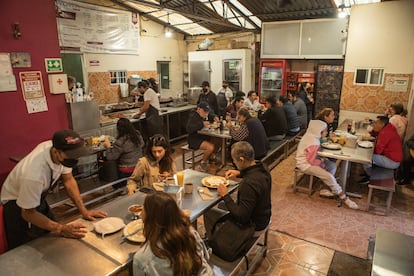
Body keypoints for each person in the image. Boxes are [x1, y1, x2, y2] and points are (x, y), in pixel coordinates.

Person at [1, 129, 108, 249]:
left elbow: (68, 180)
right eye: (72, 156)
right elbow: (27, 213)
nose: (75, 159)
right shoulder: (34, 174)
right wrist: (61, 228)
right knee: (29, 249)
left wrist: (84, 211)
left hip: (38, 199)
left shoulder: (57, 151)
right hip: (17, 206)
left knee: (52, 239)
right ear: (56, 152)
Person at [133, 192, 212, 275]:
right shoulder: (190, 233)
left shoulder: (141, 259)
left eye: (143, 209)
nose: (141, 213)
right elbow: (205, 258)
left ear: (148, 219)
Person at [204, 141, 271, 240]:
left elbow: (242, 217)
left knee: (209, 212)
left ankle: (214, 243)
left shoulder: (248, 184)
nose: (234, 163)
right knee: (221, 206)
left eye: (234, 161)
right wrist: (239, 173)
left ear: (241, 160)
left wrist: (225, 195)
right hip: (264, 216)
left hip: (254, 227)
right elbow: (252, 174)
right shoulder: (262, 168)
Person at [296, 120, 359, 209]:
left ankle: (327, 187)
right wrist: (321, 164)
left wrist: (321, 162)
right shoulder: (313, 142)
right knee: (329, 176)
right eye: (325, 131)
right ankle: (344, 198)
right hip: (305, 164)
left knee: (332, 165)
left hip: (311, 159)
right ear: (319, 131)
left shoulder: (311, 136)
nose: (326, 132)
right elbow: (311, 161)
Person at [103, 118, 144, 187]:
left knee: (109, 167)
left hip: (127, 170)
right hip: (140, 166)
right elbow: (143, 144)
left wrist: (108, 147)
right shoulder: (137, 135)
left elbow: (110, 157)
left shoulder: (120, 142)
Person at [361, 116, 403, 183]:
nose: (374, 124)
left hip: (393, 161)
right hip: (393, 158)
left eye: (376, 123)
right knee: (368, 157)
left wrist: (367, 149)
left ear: (382, 124)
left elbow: (378, 151)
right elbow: (376, 133)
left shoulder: (385, 133)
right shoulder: (388, 127)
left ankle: (370, 177)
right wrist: (372, 131)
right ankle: (368, 173)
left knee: (366, 158)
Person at [186, 102, 217, 171]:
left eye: (207, 111)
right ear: (199, 109)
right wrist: (202, 124)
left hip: (202, 137)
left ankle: (211, 157)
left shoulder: (202, 115)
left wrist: (214, 117)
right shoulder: (193, 116)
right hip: (194, 140)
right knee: (210, 147)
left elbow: (210, 115)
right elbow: (189, 128)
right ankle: (203, 162)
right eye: (204, 111)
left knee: (217, 140)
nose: (206, 113)